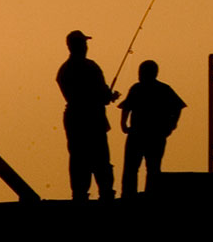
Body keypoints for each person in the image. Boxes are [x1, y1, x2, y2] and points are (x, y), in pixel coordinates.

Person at [56, 29, 120, 201]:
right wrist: (111, 96)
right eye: (83, 43)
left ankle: (79, 194)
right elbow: (103, 95)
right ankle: (106, 193)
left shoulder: (64, 70)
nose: (85, 46)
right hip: (93, 118)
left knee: (78, 158)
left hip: (74, 118)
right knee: (100, 158)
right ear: (76, 46)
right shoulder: (91, 67)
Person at [119, 60, 186, 198]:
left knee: (132, 167)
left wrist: (124, 124)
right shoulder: (164, 89)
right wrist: (172, 124)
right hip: (156, 134)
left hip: (138, 134)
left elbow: (126, 107)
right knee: (153, 167)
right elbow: (178, 107)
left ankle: (128, 194)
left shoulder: (137, 88)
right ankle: (151, 194)